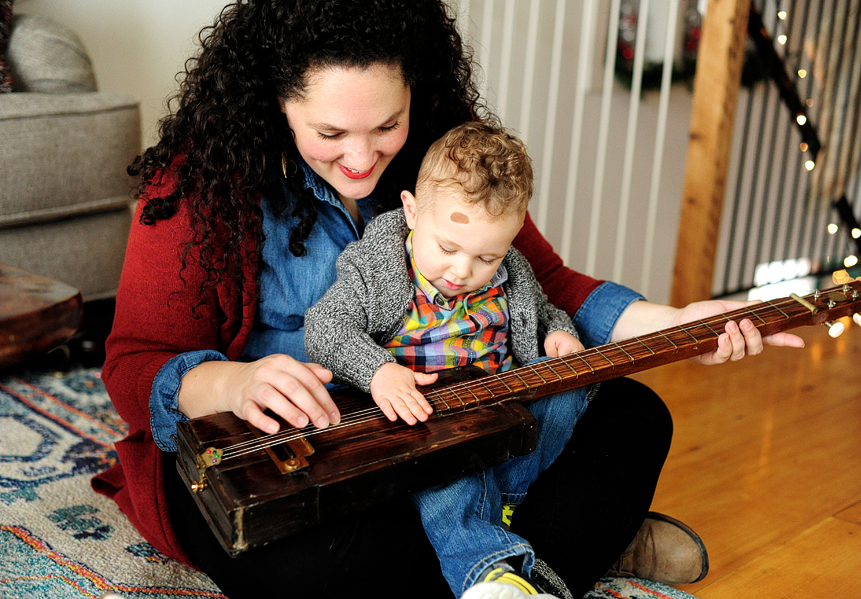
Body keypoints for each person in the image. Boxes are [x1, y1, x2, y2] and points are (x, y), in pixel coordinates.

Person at [91, 1, 805, 598]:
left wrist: (678, 322)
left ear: (415, 94)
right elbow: (134, 363)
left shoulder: (448, 153)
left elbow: (544, 283)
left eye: (387, 126)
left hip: (442, 439)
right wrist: (236, 380)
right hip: (286, 464)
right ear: (273, 102)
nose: (363, 161)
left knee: (635, 414)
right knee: (320, 563)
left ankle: (497, 558)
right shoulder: (200, 181)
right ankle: (557, 545)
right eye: (329, 134)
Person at [305, 120, 594, 597]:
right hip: (421, 424)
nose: (463, 271)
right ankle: (491, 577)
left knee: (571, 393)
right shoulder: (376, 267)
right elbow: (324, 328)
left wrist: (559, 334)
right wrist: (379, 372)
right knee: (448, 464)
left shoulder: (513, 271)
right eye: (447, 248)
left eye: (487, 258)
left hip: (499, 415)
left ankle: (502, 502)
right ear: (412, 211)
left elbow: (544, 311)